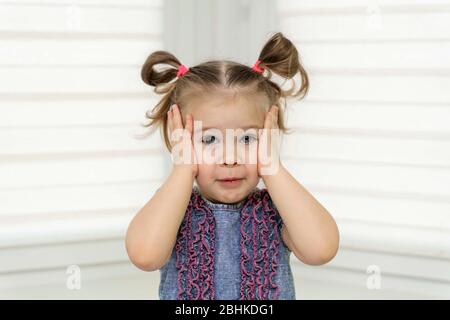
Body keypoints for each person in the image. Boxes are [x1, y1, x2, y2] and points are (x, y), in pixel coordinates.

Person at [125, 32, 340, 300]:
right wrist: (183, 169)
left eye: (247, 138)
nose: (230, 157)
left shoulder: (278, 207)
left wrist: (273, 169)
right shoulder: (173, 204)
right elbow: (144, 256)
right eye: (209, 139)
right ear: (179, 139)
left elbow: (321, 250)